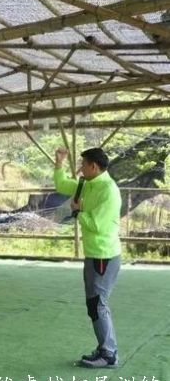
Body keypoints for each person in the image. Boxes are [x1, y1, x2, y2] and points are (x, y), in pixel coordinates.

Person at [54, 147, 122, 368]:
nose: (80, 168)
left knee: (97, 304)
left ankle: (108, 353)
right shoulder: (87, 184)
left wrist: (77, 212)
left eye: (83, 164)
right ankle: (105, 349)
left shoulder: (108, 190)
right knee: (95, 304)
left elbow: (97, 225)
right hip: (94, 254)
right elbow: (62, 185)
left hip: (104, 255)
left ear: (94, 166)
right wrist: (58, 163)